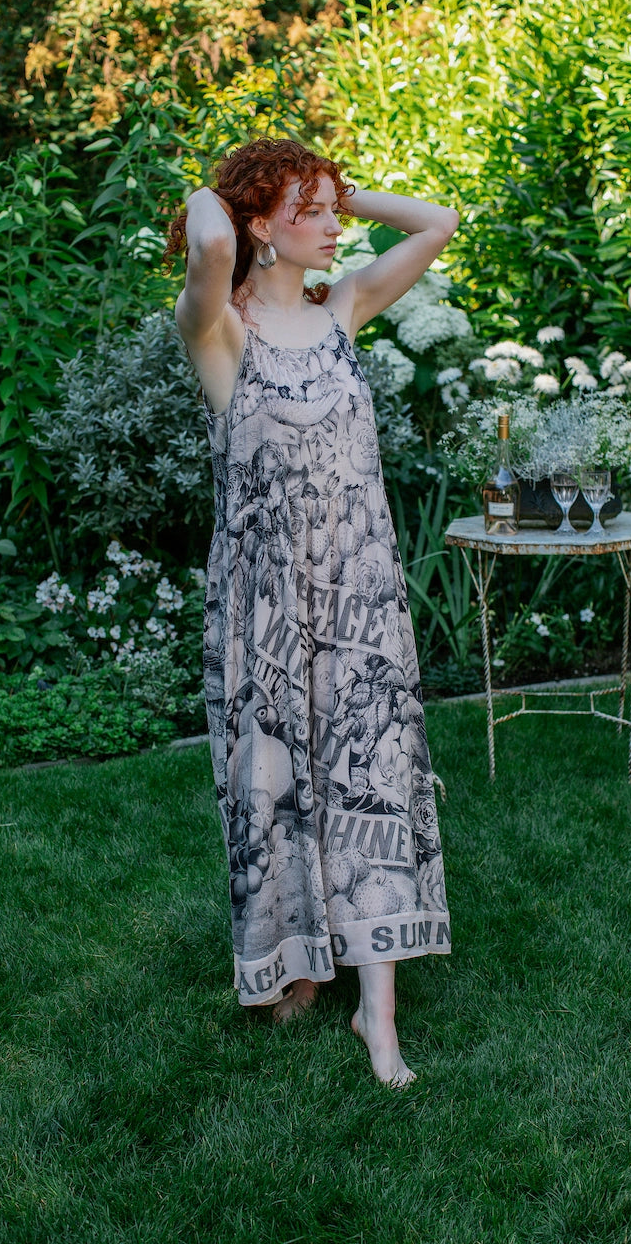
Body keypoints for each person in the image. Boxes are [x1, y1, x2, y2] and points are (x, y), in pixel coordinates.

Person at [166, 137, 459, 1087]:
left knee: (370, 782)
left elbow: (439, 222)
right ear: (260, 222)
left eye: (336, 211)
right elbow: (209, 246)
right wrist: (221, 196)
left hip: (361, 598)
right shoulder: (218, 332)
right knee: (277, 789)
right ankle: (296, 967)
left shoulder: (344, 312)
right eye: (313, 211)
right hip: (269, 609)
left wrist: (337, 193)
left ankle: (378, 1013)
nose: (335, 227)